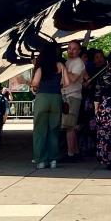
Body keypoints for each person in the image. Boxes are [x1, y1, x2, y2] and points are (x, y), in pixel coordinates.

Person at [31, 41, 67, 170]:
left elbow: (35, 83)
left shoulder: (41, 68)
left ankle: (41, 160)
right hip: (56, 98)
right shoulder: (60, 66)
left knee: (40, 130)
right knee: (54, 130)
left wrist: (33, 86)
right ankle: (53, 160)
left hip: (42, 98)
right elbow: (66, 82)